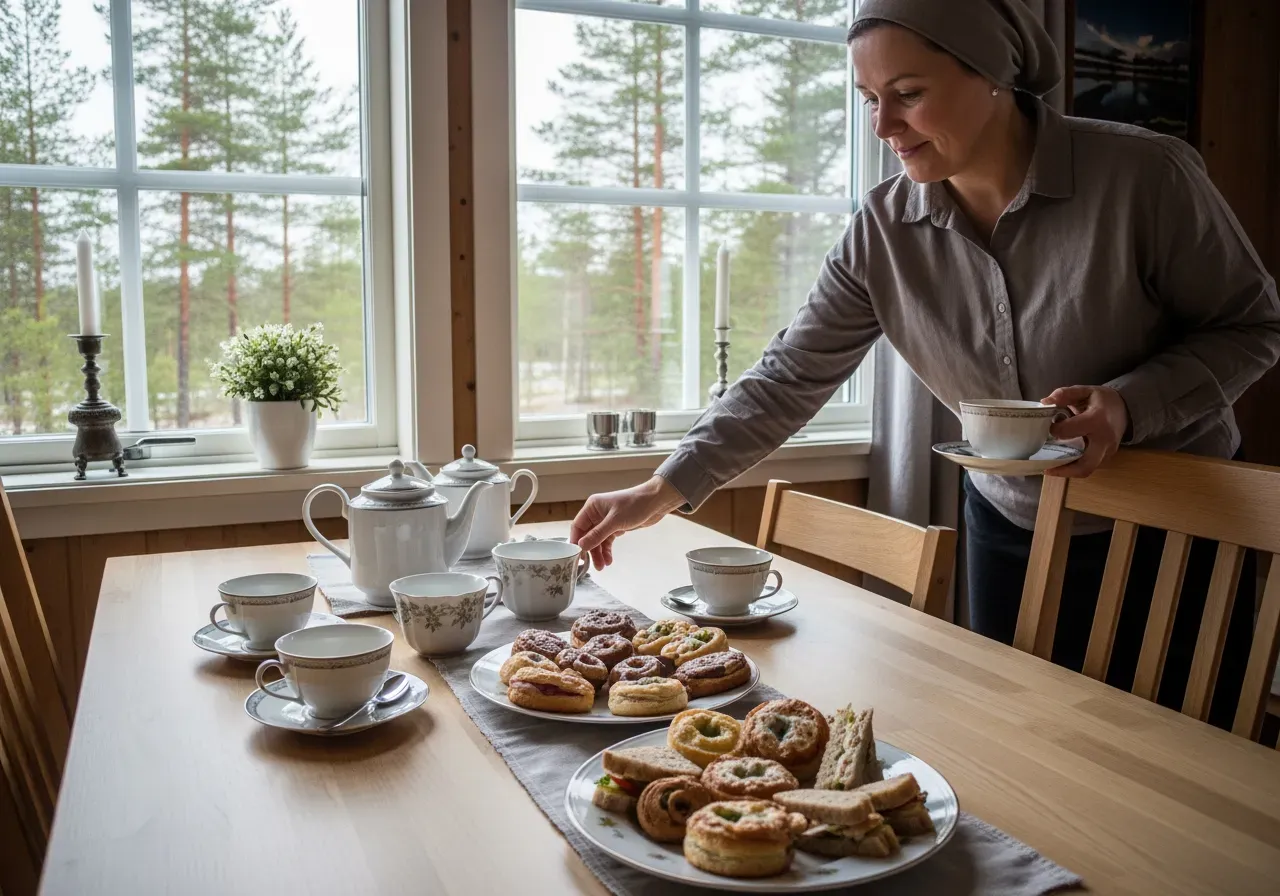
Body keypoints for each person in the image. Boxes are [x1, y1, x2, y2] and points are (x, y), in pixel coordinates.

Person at [568, 0, 1280, 727]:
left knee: (1186, 766)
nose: (883, 127)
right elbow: (789, 375)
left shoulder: (1147, 177)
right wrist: (658, 491)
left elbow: (1252, 326)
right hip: (1009, 522)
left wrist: (1129, 405)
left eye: (908, 95)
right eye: (871, 100)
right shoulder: (882, 230)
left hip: (1179, 527)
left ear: (995, 76)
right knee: (1023, 745)